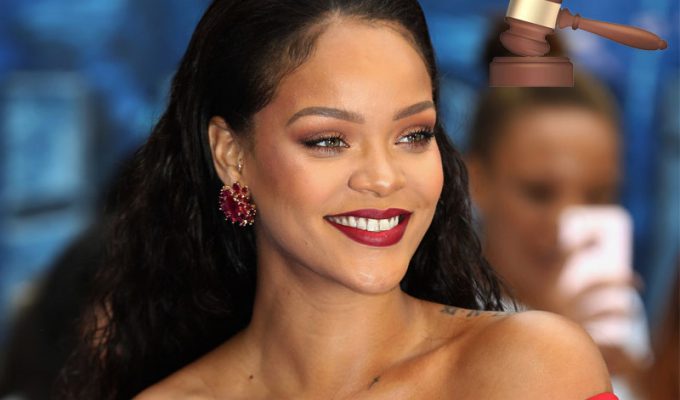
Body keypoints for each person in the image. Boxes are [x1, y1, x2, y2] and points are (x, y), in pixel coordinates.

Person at [58, 1, 617, 399]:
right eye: (328, 140)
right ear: (231, 155)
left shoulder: (531, 369)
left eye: (413, 135)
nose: (383, 178)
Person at [466, 70, 652, 399]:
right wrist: (552, 344)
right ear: (477, 181)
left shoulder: (612, 304)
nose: (566, 220)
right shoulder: (439, 317)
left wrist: (641, 382)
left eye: (597, 195)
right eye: (539, 193)